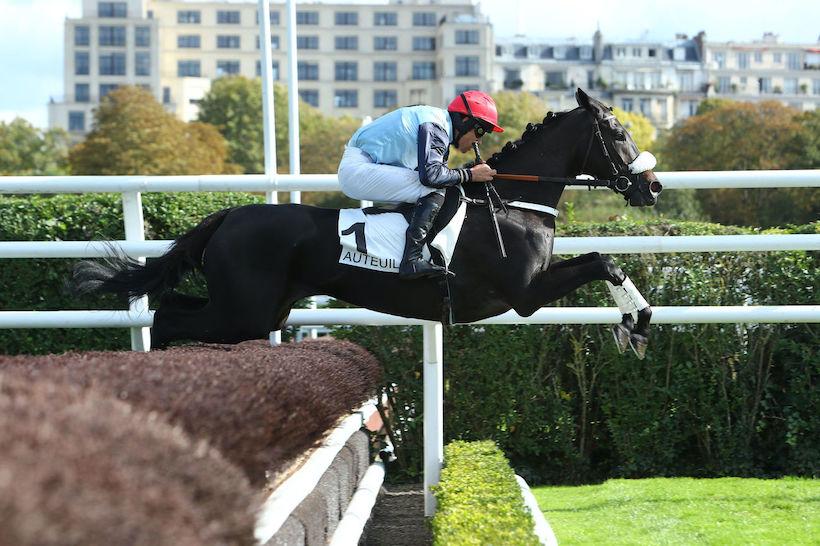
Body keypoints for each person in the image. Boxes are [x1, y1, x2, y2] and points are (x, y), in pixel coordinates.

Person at [338, 91, 503, 280]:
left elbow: (439, 174)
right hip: (358, 169)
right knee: (433, 189)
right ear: (464, 120)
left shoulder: (438, 125)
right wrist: (471, 174)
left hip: (363, 166)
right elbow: (432, 177)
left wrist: (467, 174)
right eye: (480, 131)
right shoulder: (436, 127)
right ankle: (411, 260)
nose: (479, 140)